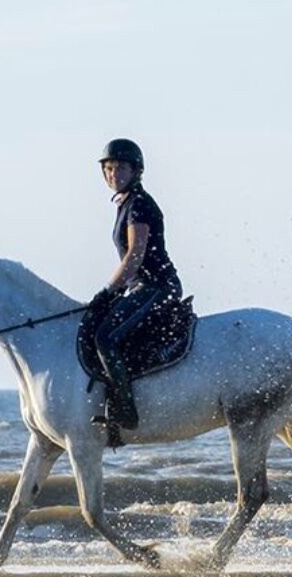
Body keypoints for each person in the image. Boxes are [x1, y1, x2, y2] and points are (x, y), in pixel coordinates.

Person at [86, 138, 184, 430]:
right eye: (109, 168)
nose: (113, 174)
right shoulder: (125, 204)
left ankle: (125, 411)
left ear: (135, 171)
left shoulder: (139, 204)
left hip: (158, 287)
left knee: (105, 337)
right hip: (140, 288)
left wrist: (107, 291)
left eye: (120, 168)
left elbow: (135, 256)